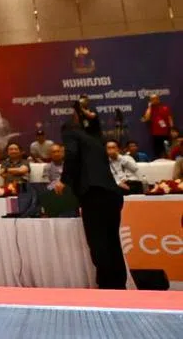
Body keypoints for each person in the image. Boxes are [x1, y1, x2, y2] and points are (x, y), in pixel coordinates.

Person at [56, 123, 127, 289]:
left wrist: (63, 180)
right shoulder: (95, 139)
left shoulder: (71, 133)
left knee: (98, 241)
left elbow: (72, 154)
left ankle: (106, 285)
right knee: (112, 241)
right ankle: (119, 284)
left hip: (94, 195)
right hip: (112, 194)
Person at [142, 94, 174, 159]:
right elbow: (147, 118)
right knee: (158, 152)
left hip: (166, 134)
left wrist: (172, 129)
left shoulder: (165, 108)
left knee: (167, 149)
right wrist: (150, 106)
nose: (154, 100)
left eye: (155, 99)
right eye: (152, 99)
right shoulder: (150, 110)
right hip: (156, 134)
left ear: (158, 99)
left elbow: (170, 119)